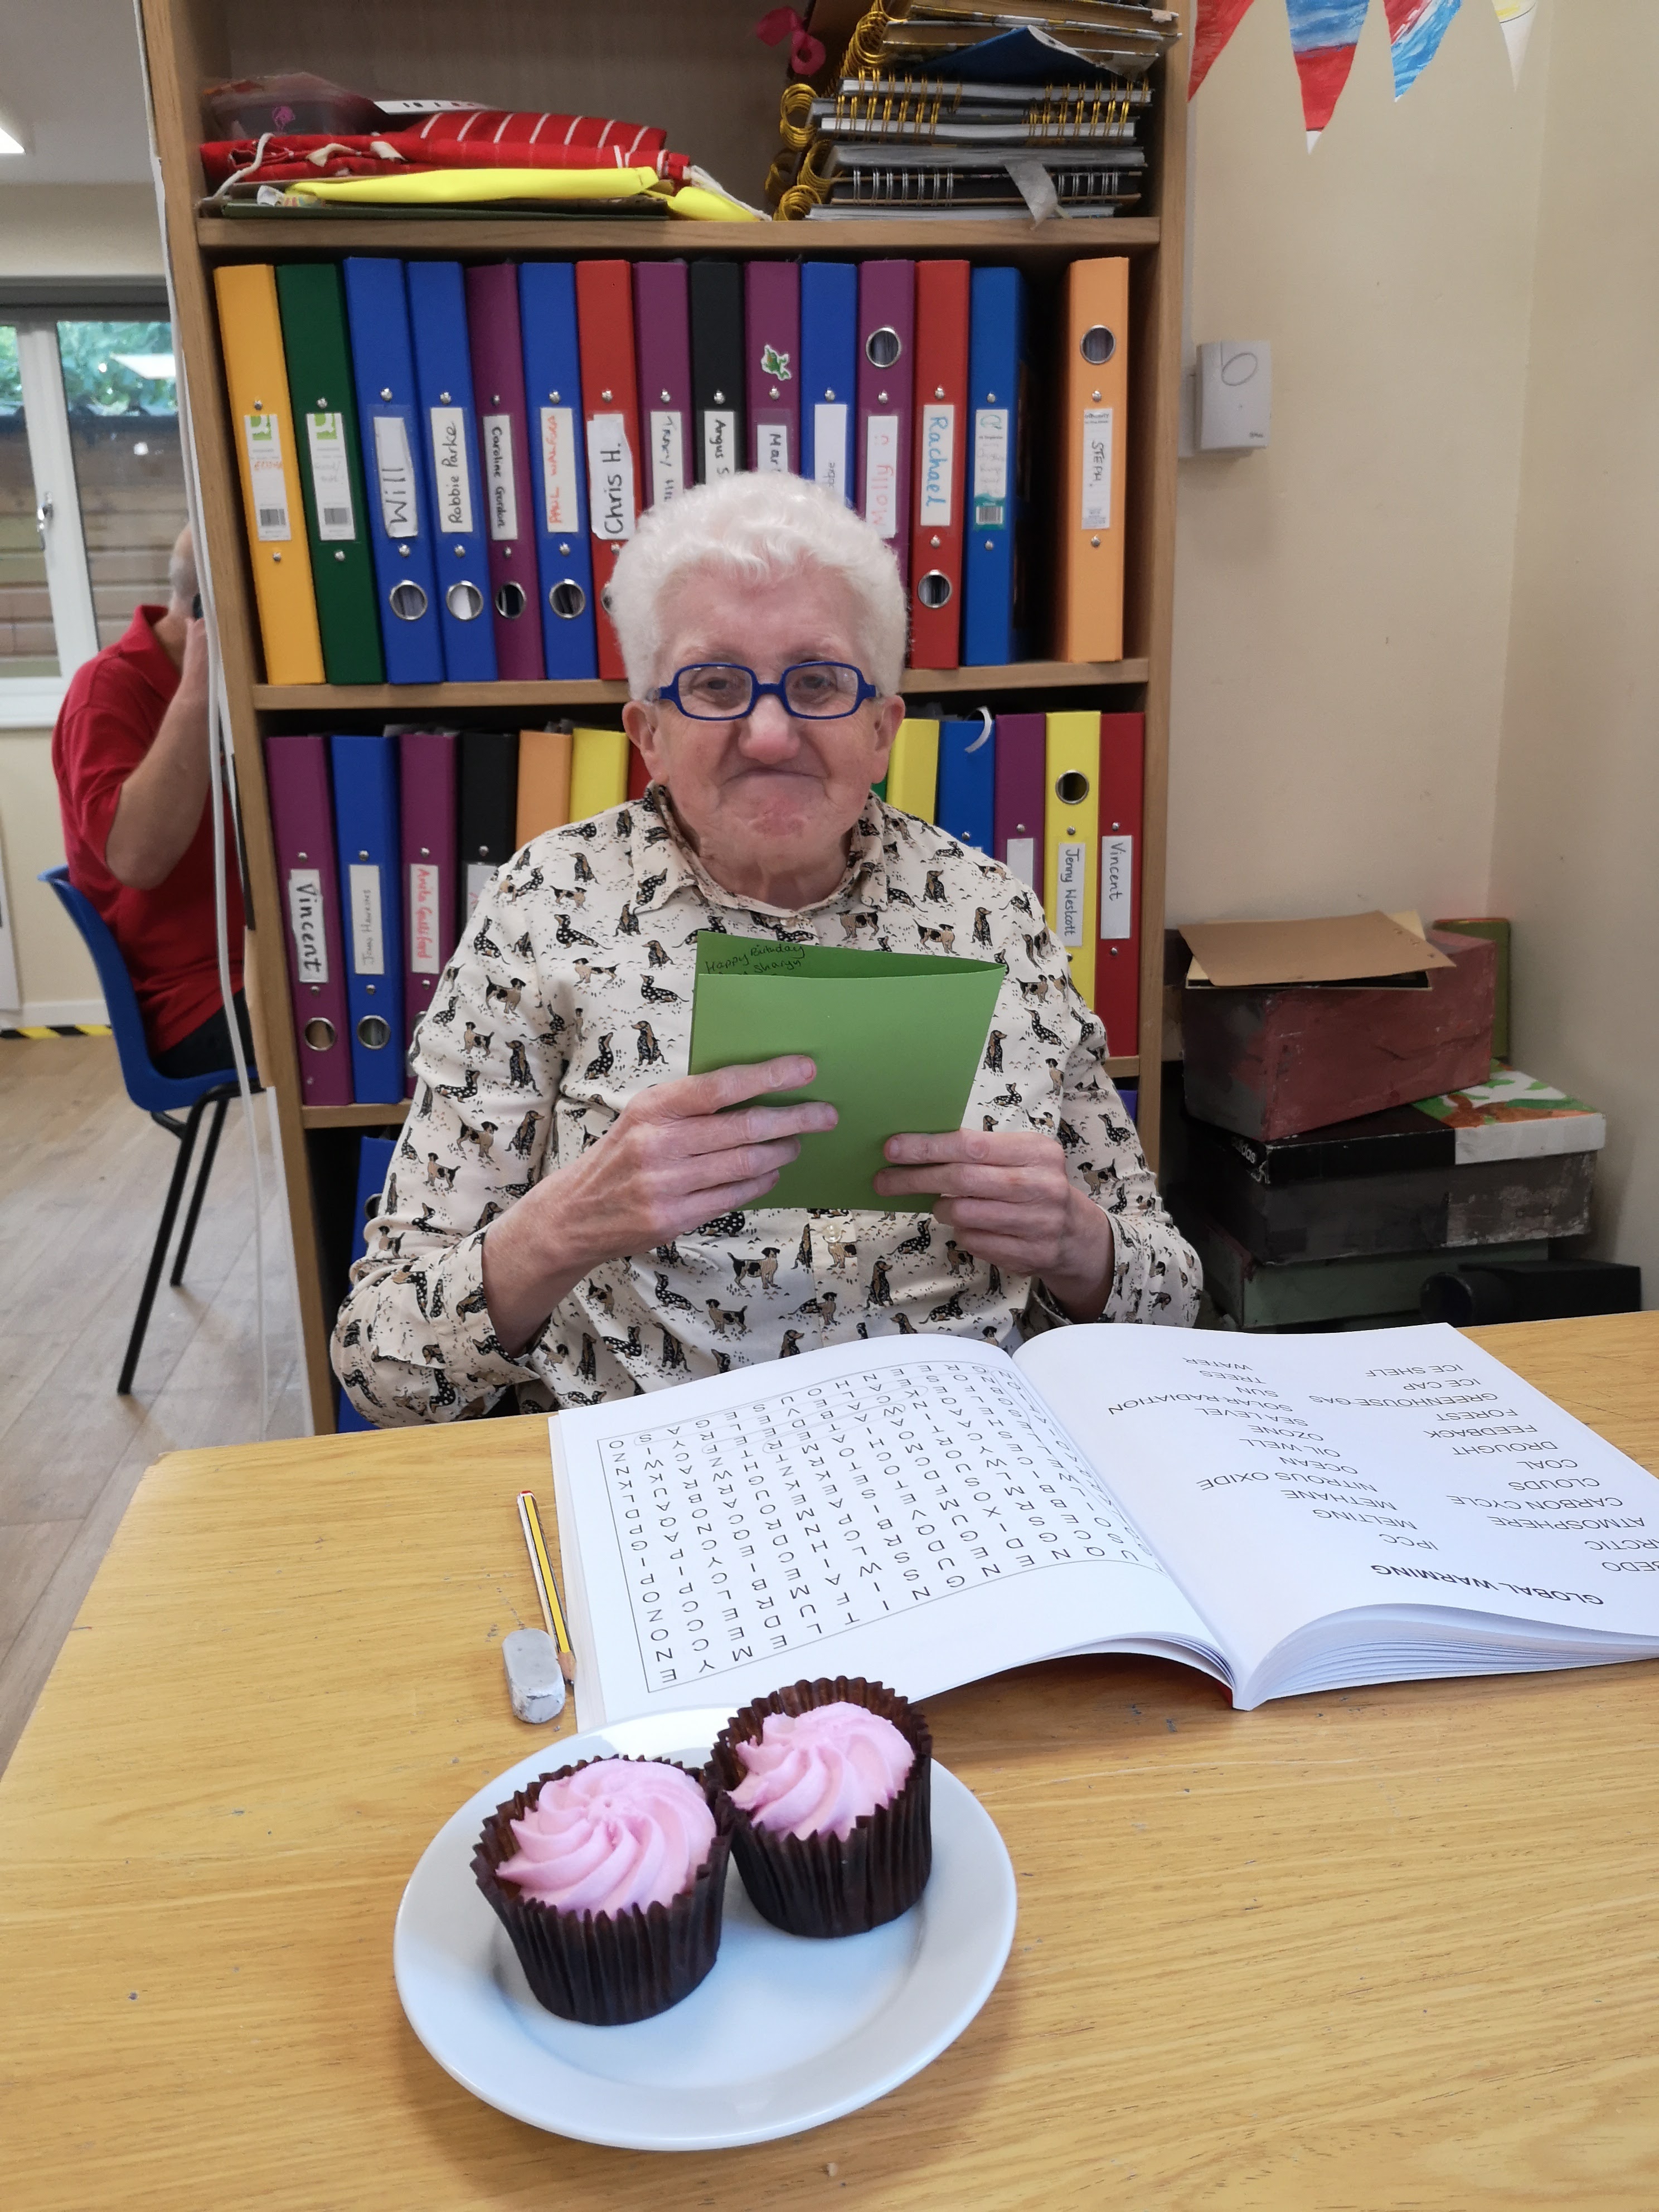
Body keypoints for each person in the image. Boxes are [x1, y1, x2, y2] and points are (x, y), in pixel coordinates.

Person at [334, 474, 1199, 1424]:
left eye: (818, 681)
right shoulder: (543, 907)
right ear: (649, 734)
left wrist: (1080, 1244)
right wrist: (562, 1227)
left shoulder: (990, 910)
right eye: (715, 684)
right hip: (655, 1459)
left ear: (882, 729)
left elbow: (1173, 1299)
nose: (771, 733)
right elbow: (380, 1367)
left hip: (959, 1453)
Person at [52, 526, 254, 1075]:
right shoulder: (106, 689)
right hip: (198, 999)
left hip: (281, 964)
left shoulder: (254, 683)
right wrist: (199, 681)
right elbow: (138, 858)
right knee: (407, 1035)